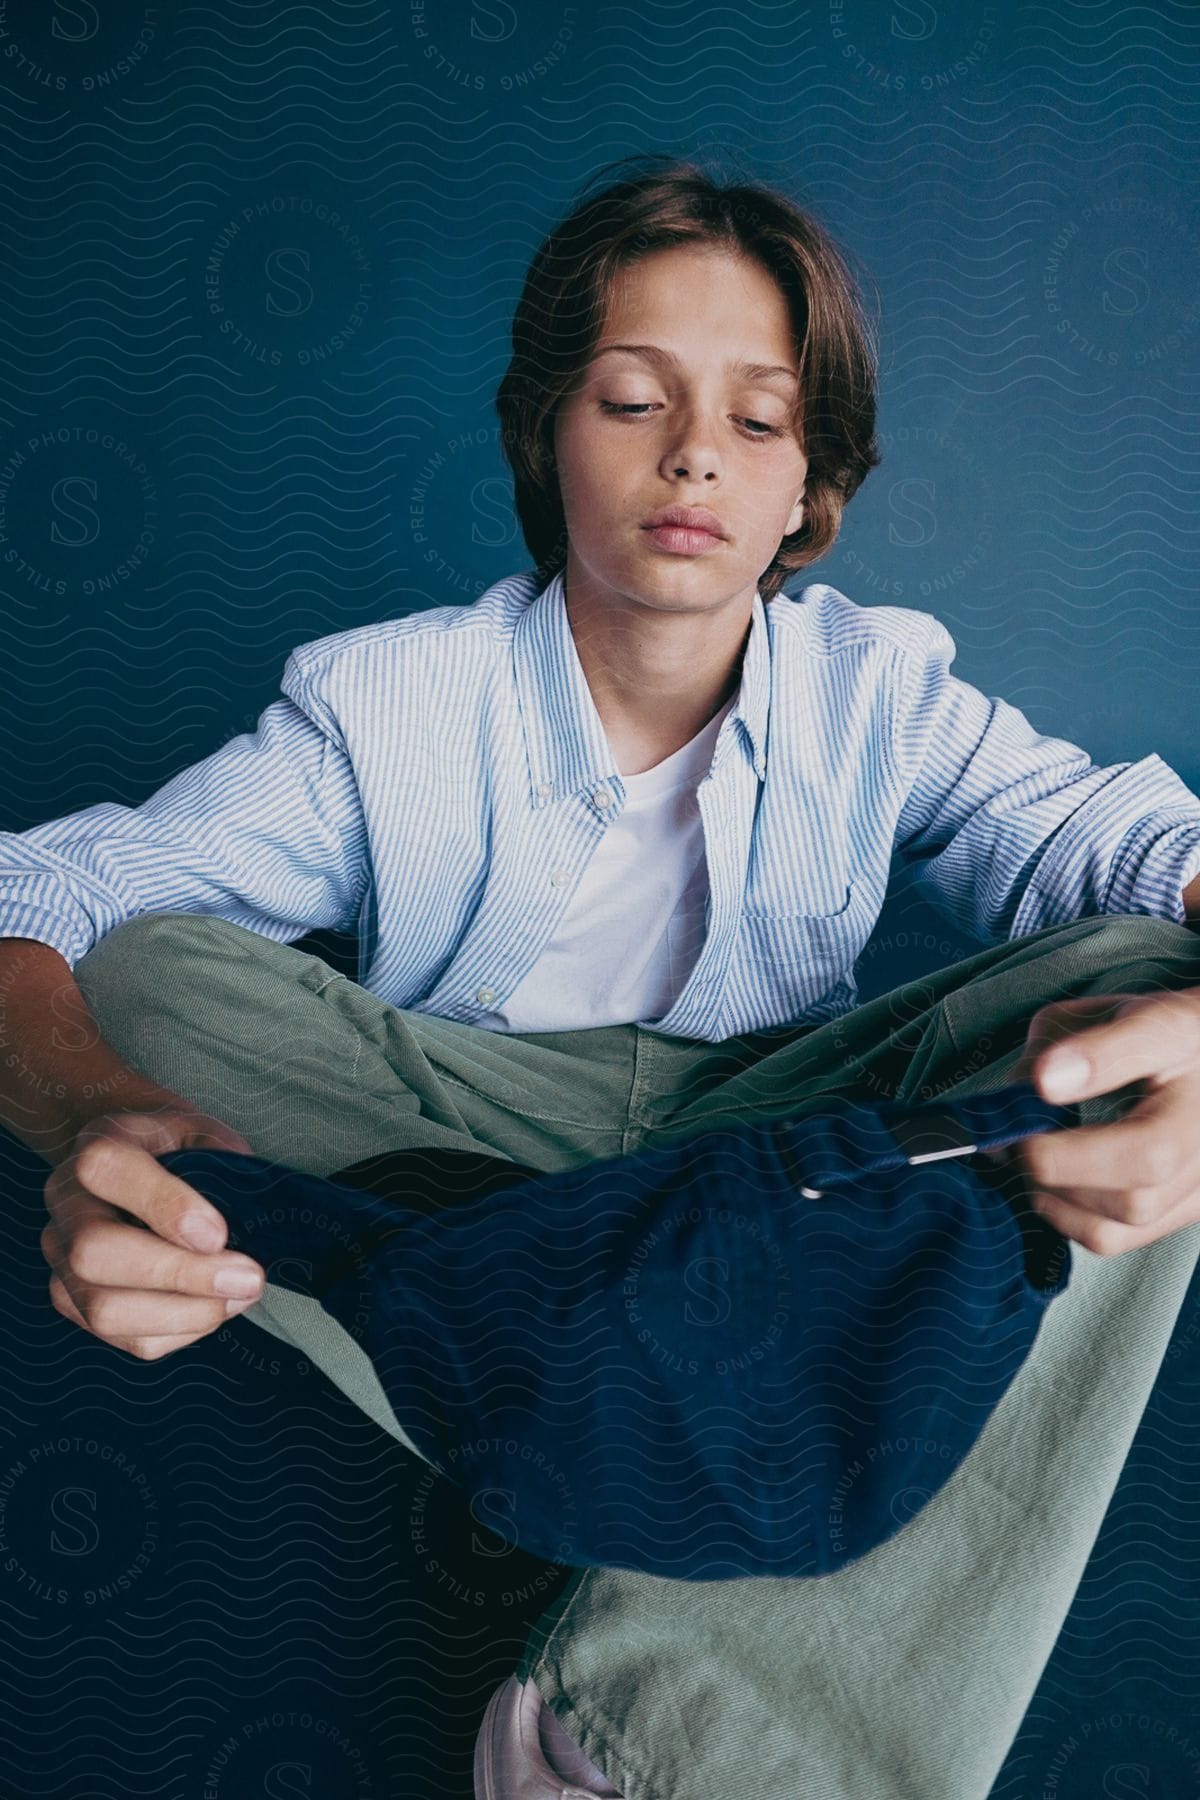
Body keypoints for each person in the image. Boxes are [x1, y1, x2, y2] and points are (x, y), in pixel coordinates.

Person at [4, 150, 1200, 1798]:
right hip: (477, 1156)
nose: (695, 451)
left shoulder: (883, 694)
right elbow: (47, 893)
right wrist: (94, 1112)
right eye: (633, 399)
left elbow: (1133, 851)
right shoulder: (385, 706)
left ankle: (636, 1740)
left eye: (759, 421)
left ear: (810, 489)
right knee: (141, 974)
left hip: (777, 1170)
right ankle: (559, 1315)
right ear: (547, 437)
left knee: (1150, 996)